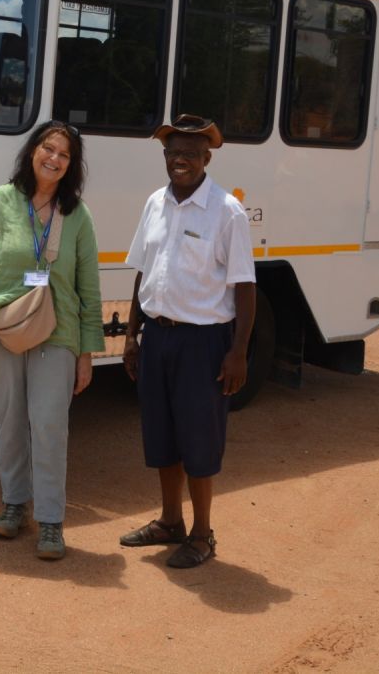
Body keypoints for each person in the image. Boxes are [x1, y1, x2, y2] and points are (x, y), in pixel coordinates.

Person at [0, 121, 103, 560]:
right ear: (32, 150)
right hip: (2, 329)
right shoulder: (0, 201)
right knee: (9, 419)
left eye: (64, 154)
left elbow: (89, 289)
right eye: (47, 148)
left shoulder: (77, 216)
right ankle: (15, 505)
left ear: (72, 165)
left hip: (58, 333)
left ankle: (51, 522)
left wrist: (87, 354)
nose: (54, 158)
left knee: (50, 423)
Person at [119, 114, 256, 569]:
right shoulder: (155, 202)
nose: (180, 160)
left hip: (204, 344)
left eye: (189, 154)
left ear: (207, 158)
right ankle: (169, 521)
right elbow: (144, 268)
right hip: (158, 337)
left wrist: (238, 352)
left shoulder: (227, 211)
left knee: (199, 441)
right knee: (161, 435)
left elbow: (244, 286)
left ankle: (202, 534)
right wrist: (133, 336)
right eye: (172, 152)